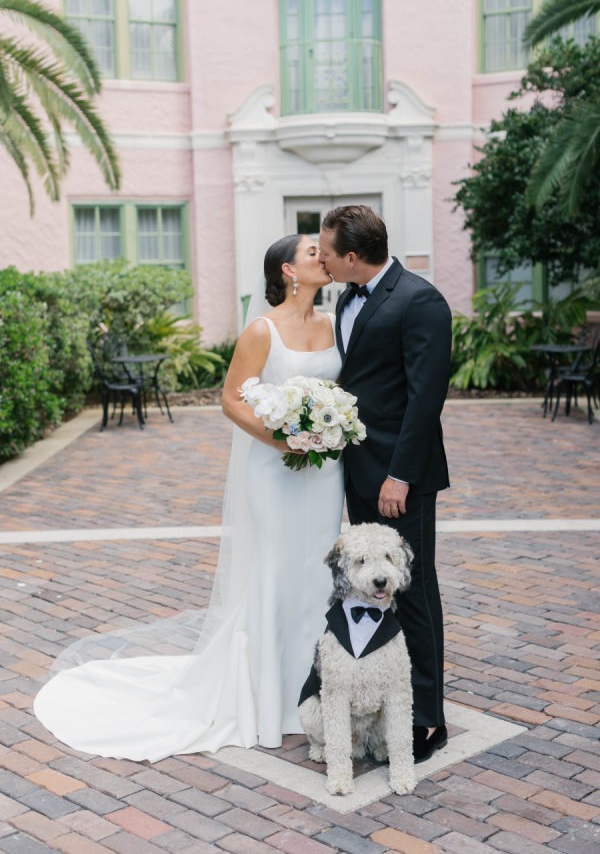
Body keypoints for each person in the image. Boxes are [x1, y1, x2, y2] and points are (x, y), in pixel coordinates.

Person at [33, 234, 344, 761]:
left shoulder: (336, 325)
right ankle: (268, 703)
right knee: (273, 575)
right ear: (288, 271)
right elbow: (231, 400)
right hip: (275, 473)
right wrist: (285, 438)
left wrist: (328, 434)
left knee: (317, 576)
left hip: (324, 474)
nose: (325, 256)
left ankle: (309, 694)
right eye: (313, 252)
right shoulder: (260, 331)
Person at [318, 204, 452, 764]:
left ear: (351, 256)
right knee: (368, 590)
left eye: (326, 251)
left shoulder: (420, 300)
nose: (319, 258)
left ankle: (426, 720)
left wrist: (400, 474)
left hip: (400, 475)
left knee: (413, 593)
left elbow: (427, 397)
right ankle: (380, 703)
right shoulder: (347, 297)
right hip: (358, 469)